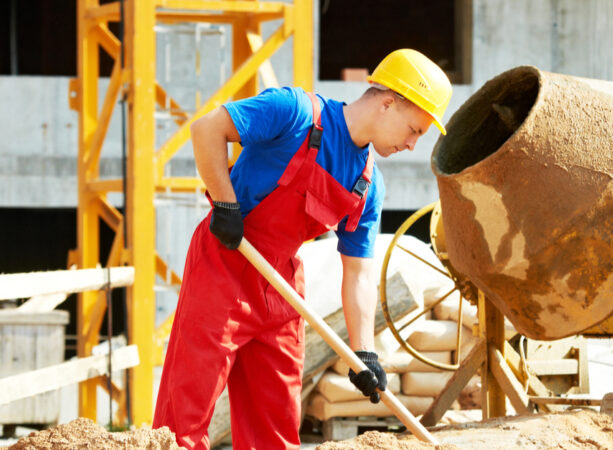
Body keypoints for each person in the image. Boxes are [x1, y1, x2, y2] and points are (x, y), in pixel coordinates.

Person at [153, 49, 452, 449]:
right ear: (387, 103)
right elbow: (207, 129)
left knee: (275, 426)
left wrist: (364, 354)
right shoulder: (293, 112)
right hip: (226, 260)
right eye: (415, 129)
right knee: (185, 413)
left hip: (280, 285)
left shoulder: (368, 185)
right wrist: (225, 203)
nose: (413, 144)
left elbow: (358, 273)